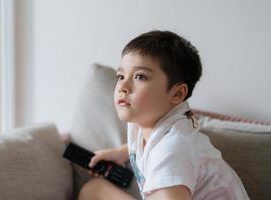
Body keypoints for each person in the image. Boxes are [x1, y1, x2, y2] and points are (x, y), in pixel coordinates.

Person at [78, 30, 249, 200]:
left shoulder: (174, 148)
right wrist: (121, 153)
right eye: (121, 75)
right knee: (94, 190)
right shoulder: (143, 123)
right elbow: (152, 145)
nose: (123, 86)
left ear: (177, 94)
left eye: (140, 76)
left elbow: (170, 152)